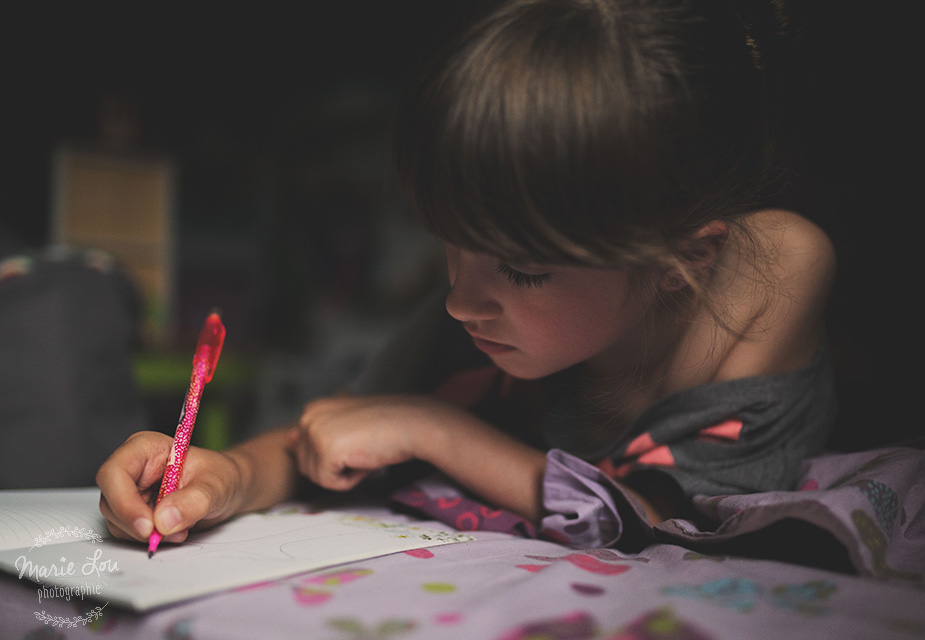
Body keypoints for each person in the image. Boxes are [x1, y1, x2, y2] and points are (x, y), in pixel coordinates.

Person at [97, 0, 837, 548]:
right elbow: (332, 434)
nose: (460, 302)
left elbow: (659, 521)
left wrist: (432, 428)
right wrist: (224, 477)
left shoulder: (768, 277)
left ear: (687, 256)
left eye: (523, 270)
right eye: (450, 245)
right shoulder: (489, 304)